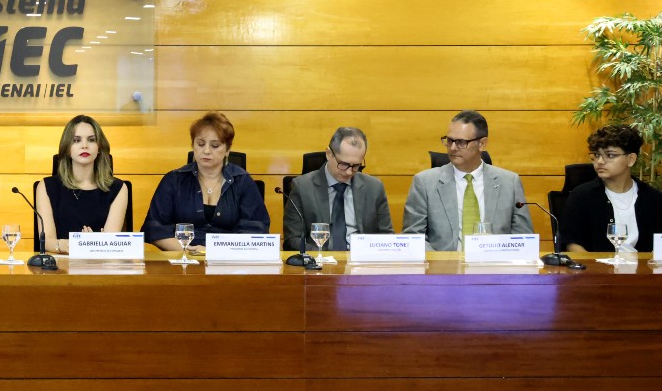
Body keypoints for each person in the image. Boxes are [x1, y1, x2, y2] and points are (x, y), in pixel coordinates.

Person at [403, 110, 532, 250]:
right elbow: (413, 238)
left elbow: (523, 238)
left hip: (495, 262)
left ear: (482, 143)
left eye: (461, 142)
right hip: (443, 263)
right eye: (449, 141)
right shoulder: (424, 183)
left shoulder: (510, 183)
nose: (452, 148)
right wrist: (442, 261)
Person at [142, 111, 270, 250]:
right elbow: (155, 228)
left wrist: (215, 252)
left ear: (227, 149)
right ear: (193, 146)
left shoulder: (243, 182)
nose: (206, 151)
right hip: (183, 256)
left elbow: (255, 231)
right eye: (201, 144)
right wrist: (188, 251)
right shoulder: (174, 180)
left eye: (215, 145)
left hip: (228, 258)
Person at [283, 126, 394, 251]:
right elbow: (292, 240)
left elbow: (387, 237)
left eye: (356, 165)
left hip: (361, 259)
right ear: (329, 154)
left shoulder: (374, 187)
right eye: (344, 164)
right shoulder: (302, 187)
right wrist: (323, 257)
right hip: (319, 260)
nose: (349, 172)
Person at [35, 115, 129, 253]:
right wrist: (68, 245)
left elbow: (110, 243)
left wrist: (91, 244)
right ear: (67, 148)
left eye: (91, 140)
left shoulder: (118, 189)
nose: (84, 145)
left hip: (101, 264)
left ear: (99, 147)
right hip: (60, 263)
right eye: (76, 140)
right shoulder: (46, 187)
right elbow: (47, 241)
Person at [563, 125, 662, 252]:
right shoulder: (582, 196)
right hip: (595, 264)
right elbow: (572, 243)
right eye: (597, 155)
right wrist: (593, 265)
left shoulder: (653, 198)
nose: (600, 161)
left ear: (631, 159)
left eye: (610, 155)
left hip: (642, 265)